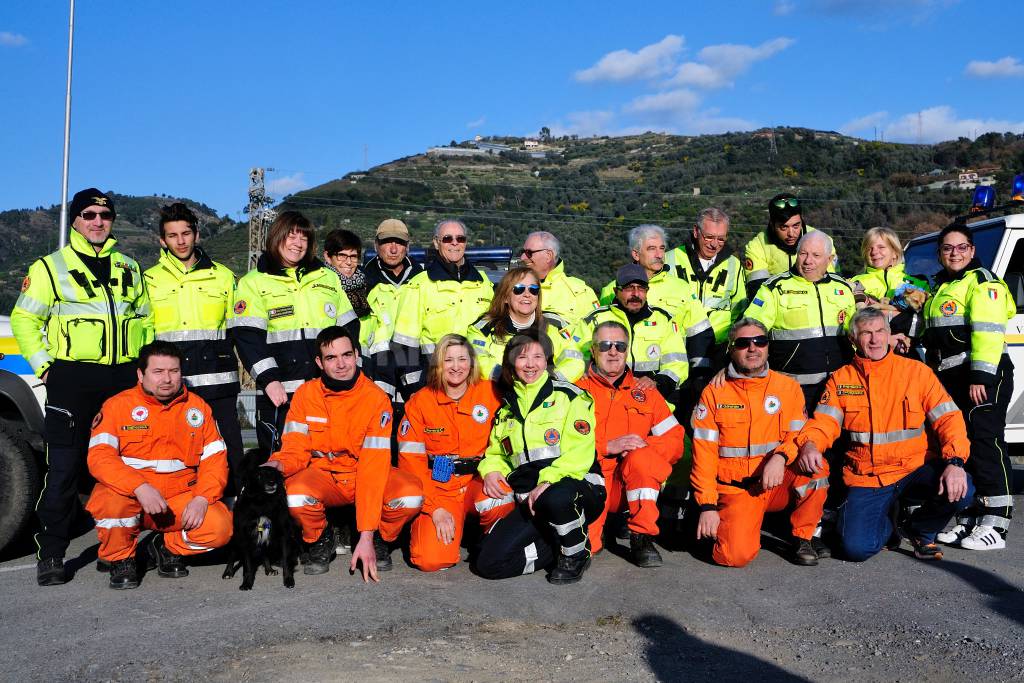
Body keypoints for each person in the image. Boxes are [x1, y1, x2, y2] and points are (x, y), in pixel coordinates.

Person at [10, 187, 153, 586]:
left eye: (104, 216)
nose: (97, 222)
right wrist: (45, 368)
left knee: (124, 467)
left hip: (124, 379)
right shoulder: (49, 267)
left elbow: (147, 320)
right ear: (75, 219)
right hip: (71, 379)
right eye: (88, 215)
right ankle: (52, 554)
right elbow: (24, 320)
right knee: (65, 469)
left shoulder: (128, 266)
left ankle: (120, 549)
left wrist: (142, 368)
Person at [791, 308, 973, 561]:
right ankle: (890, 524)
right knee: (856, 549)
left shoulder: (916, 372)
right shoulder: (841, 380)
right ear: (854, 340)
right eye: (866, 333)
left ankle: (921, 529)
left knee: (964, 487)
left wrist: (955, 462)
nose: (874, 339)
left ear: (889, 335)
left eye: (880, 331)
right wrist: (810, 444)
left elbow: (949, 419)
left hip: (915, 468)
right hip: (868, 476)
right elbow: (824, 423)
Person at [263, 326, 423, 580]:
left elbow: (372, 468)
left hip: (363, 474)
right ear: (319, 362)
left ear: (357, 355)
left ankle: (380, 537)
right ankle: (319, 537)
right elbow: (295, 449)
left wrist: (368, 534)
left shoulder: (376, 399)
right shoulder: (306, 395)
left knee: (411, 495)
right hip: (323, 476)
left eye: (346, 355)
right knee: (293, 495)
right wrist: (276, 467)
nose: (341, 364)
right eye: (331, 358)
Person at [85, 341, 232, 589]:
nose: (167, 379)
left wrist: (202, 499)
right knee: (110, 503)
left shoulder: (198, 408)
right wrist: (139, 486)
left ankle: (164, 547)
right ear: (141, 375)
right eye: (158, 372)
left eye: (173, 371)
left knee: (220, 528)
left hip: (179, 497)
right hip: (132, 498)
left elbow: (215, 460)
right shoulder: (117, 406)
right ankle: (122, 559)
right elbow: (100, 457)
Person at [691, 319, 828, 567]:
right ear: (731, 349)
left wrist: (781, 457)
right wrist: (707, 505)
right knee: (734, 557)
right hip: (738, 489)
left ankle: (802, 537)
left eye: (760, 341)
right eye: (743, 343)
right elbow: (704, 456)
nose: (752, 348)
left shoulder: (788, 387)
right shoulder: (714, 392)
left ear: (767, 347)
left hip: (776, 481)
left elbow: (796, 436)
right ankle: (729, 522)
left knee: (817, 468)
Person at [473, 333, 606, 584]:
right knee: (488, 564)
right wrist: (491, 470)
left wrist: (547, 481)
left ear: (547, 361)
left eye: (537, 356)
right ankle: (556, 547)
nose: (531, 364)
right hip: (532, 501)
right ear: (511, 364)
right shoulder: (506, 410)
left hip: (575, 486)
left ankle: (576, 555)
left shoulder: (570, 396)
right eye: (522, 357)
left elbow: (580, 452)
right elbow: (496, 454)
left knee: (554, 497)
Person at [230, 211, 359, 455]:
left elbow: (349, 327)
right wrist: (269, 380)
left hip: (327, 389)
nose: (297, 243)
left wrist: (350, 370)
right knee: (283, 462)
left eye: (304, 238)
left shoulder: (328, 278)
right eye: (291, 236)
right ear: (277, 237)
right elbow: (247, 337)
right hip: (281, 393)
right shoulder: (254, 282)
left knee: (332, 458)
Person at [922, 224, 1015, 550]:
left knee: (986, 443)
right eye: (948, 248)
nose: (955, 253)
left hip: (980, 376)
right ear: (940, 253)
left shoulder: (982, 282)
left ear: (972, 251)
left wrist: (982, 378)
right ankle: (971, 518)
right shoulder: (943, 287)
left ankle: (996, 523)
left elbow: (988, 333)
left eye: (961, 247)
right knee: (966, 447)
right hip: (954, 378)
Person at [144, 203, 243, 494]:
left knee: (228, 454)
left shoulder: (224, 276)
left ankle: (230, 515)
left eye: (186, 233)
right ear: (162, 240)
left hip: (219, 385)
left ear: (197, 234)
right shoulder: (149, 280)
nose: (181, 241)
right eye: (172, 235)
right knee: (176, 457)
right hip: (172, 387)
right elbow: (145, 334)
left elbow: (237, 327)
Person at [576, 321, 685, 567]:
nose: (613, 351)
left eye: (619, 345)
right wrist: (607, 446)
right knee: (585, 550)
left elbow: (675, 440)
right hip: (594, 481)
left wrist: (642, 447)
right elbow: (562, 443)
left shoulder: (646, 392)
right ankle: (601, 525)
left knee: (642, 460)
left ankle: (641, 536)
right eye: (605, 345)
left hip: (632, 484)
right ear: (593, 350)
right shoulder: (576, 391)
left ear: (628, 350)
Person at [397, 334, 504, 571]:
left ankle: (484, 536)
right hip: (440, 487)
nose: (456, 367)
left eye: (462, 359)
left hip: (478, 481)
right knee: (430, 560)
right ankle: (449, 530)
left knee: (501, 499)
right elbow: (411, 462)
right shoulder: (420, 402)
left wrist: (494, 471)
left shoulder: (491, 393)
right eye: (449, 360)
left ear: (472, 363)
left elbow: (506, 440)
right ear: (438, 365)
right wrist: (434, 508)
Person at [743, 230, 855, 412]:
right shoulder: (774, 288)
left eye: (816, 255)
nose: (808, 260)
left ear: (829, 259)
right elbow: (749, 331)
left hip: (838, 387)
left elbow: (855, 337)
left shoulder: (842, 287)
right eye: (803, 253)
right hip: (792, 389)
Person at [392, 219, 493, 401]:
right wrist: (415, 389)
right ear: (436, 242)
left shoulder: (484, 284)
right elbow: (404, 344)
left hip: (477, 383)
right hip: (434, 383)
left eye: (460, 238)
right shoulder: (419, 285)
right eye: (447, 238)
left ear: (466, 243)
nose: (454, 243)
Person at [598, 224, 715, 377]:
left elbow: (700, 334)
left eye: (662, 248)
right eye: (651, 249)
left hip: (668, 383)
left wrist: (700, 376)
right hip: (617, 381)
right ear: (636, 254)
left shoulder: (681, 288)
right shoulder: (611, 290)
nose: (659, 254)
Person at [572, 264, 690, 409]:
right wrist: (583, 373)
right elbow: (574, 355)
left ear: (647, 291)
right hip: (604, 401)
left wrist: (657, 382)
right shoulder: (595, 320)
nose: (636, 294)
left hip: (652, 399)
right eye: (629, 288)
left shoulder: (663, 320)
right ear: (616, 291)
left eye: (641, 288)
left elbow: (677, 363)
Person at [466, 267, 584, 382]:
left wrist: (550, 382)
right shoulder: (484, 328)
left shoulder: (555, 326)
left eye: (533, 289)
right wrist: (509, 379)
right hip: (499, 395)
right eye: (519, 289)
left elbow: (574, 359)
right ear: (506, 297)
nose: (527, 294)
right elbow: (476, 358)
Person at [665, 207, 747, 356]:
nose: (715, 244)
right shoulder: (669, 260)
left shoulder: (733, 265)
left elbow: (740, 310)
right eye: (709, 237)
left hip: (718, 349)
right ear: (696, 232)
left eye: (721, 239)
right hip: (678, 347)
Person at [361, 219, 424, 400]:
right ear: (376, 245)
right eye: (387, 242)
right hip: (378, 365)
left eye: (400, 243)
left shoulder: (423, 280)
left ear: (408, 246)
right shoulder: (363, 281)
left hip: (414, 362)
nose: (394, 249)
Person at [849, 227, 928, 346]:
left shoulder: (919, 284)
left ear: (895, 252)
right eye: (869, 248)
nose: (874, 252)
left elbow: (924, 324)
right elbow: (852, 322)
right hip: (869, 351)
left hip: (908, 352)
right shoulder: (855, 283)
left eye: (881, 247)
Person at [743, 193, 833, 298]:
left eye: (796, 225)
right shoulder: (757, 246)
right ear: (772, 225)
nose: (791, 233)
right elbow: (758, 291)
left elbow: (832, 282)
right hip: (778, 305)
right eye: (783, 227)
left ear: (802, 221)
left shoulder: (822, 240)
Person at [520, 230, 599, 329]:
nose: (522, 257)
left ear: (548, 256)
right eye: (522, 252)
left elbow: (596, 332)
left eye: (529, 253)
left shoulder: (581, 292)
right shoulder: (513, 287)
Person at [323, 228, 371, 321]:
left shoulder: (367, 287)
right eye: (341, 255)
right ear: (328, 257)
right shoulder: (320, 289)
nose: (348, 262)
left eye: (353, 256)